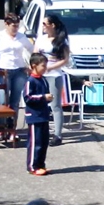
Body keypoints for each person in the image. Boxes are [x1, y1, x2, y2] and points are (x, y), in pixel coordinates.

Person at [0, 13, 34, 141]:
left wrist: (31, 66)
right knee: (2, 101)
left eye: (17, 26)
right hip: (3, 71)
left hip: (19, 71)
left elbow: (33, 50)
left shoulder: (22, 37)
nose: (15, 29)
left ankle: (12, 129)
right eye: (13, 26)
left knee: (15, 102)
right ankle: (0, 129)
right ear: (6, 24)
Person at [34, 14, 70, 147]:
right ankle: (40, 131)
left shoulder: (61, 40)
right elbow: (35, 54)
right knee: (39, 102)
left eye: (45, 24)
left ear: (52, 25)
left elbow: (65, 60)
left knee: (55, 105)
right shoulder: (41, 39)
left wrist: (50, 67)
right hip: (40, 74)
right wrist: (35, 68)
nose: (42, 26)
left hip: (54, 75)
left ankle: (58, 135)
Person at [23, 53, 52, 176]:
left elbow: (45, 94)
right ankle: (32, 166)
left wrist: (48, 98)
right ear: (34, 66)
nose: (45, 68)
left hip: (43, 115)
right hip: (34, 116)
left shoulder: (43, 79)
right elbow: (28, 97)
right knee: (36, 142)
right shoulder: (30, 81)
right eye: (43, 66)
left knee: (44, 142)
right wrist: (43, 97)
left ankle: (41, 164)